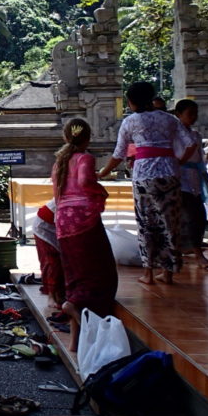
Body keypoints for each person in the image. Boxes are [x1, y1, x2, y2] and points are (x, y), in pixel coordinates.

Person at [99, 82, 191, 285]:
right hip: (170, 173)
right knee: (170, 223)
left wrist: (103, 172)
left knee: (146, 224)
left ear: (131, 102)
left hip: (143, 175)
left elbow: (119, 153)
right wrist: (178, 161)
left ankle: (148, 273)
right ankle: (168, 273)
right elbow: (190, 143)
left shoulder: (130, 122)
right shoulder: (169, 119)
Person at [52, 119, 117, 350]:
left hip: (63, 221)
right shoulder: (85, 158)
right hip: (83, 220)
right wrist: (101, 191)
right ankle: (77, 309)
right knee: (99, 272)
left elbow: (58, 193)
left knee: (74, 272)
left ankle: (74, 342)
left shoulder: (60, 161)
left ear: (66, 137)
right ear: (88, 137)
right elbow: (85, 181)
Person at [173, 100, 208, 269]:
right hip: (180, 179)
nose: (194, 117)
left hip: (195, 179)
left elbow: (201, 162)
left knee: (198, 217)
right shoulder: (174, 134)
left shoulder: (196, 135)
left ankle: (192, 247)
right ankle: (197, 254)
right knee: (191, 217)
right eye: (190, 114)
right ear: (178, 114)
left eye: (195, 114)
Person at [31, 200, 64, 309]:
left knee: (60, 261)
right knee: (51, 263)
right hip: (43, 227)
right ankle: (51, 296)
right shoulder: (69, 195)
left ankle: (58, 294)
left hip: (55, 226)